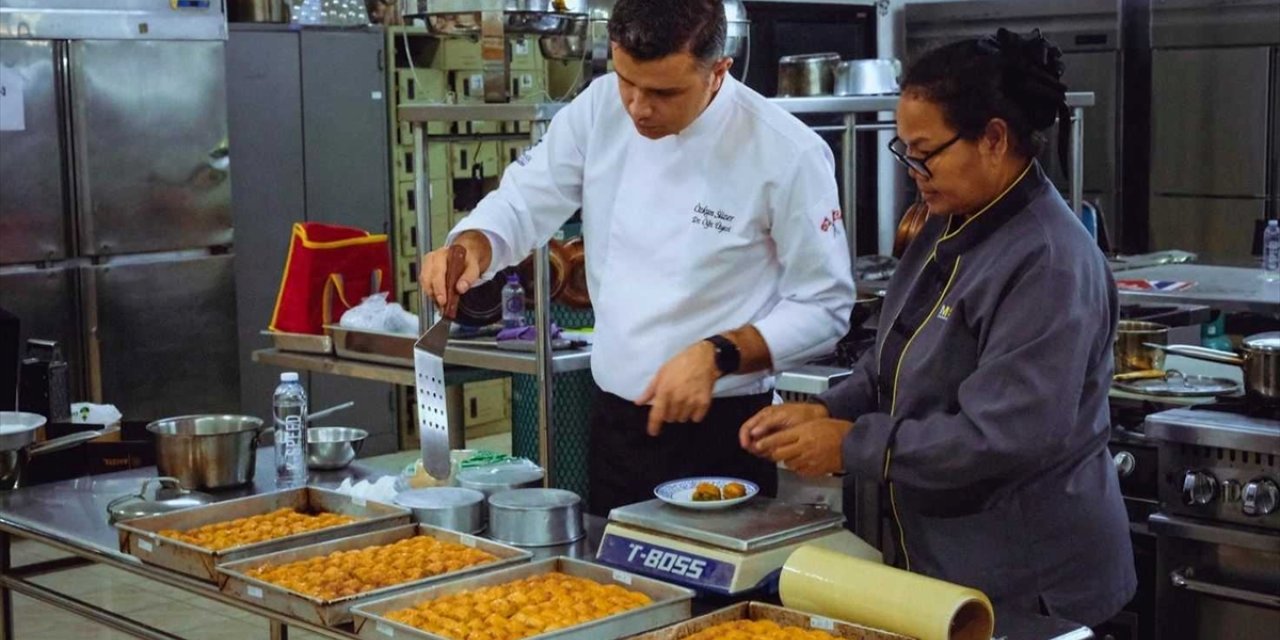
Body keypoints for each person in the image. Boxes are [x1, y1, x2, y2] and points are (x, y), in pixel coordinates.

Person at [740, 29, 1136, 627]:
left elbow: (1003, 435)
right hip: (946, 567)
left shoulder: (1049, 261)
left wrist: (850, 444)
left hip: (1032, 585)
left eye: (924, 152)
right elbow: (891, 357)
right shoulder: (947, 221)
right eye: (905, 152)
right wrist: (828, 409)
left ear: (994, 139)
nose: (913, 171)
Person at [419, 0, 854, 515]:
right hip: (617, 427)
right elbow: (523, 201)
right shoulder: (600, 108)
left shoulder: (786, 152)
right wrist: (475, 242)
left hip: (724, 431)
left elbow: (826, 306)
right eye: (627, 80)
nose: (638, 107)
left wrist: (718, 354)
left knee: (713, 594)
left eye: (663, 92)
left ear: (719, 72)